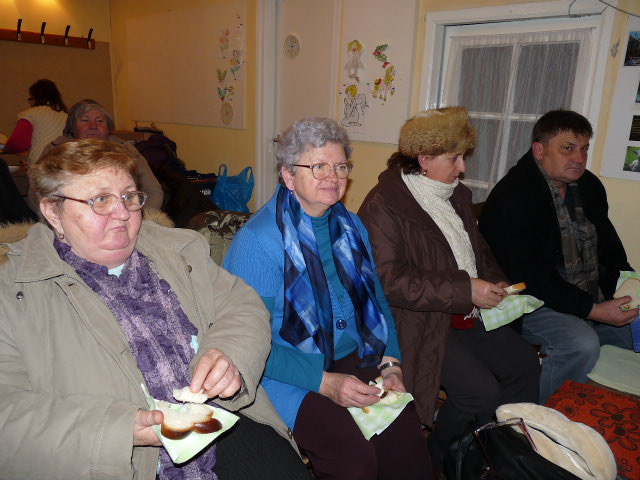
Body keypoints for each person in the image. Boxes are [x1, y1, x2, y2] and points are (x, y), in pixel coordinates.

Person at [0, 139, 311, 480]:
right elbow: (8, 417)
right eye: (100, 200)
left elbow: (242, 305)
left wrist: (228, 353)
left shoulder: (176, 249)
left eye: (129, 196)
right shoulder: (13, 293)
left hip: (223, 418)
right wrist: (116, 430)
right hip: (117, 460)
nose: (123, 213)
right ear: (53, 211)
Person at [224, 117, 433, 480]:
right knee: (354, 458)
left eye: (340, 166)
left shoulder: (352, 226)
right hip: (282, 369)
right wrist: (325, 383)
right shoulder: (258, 242)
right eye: (318, 166)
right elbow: (250, 344)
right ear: (289, 175)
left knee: (406, 440)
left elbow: (376, 302)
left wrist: (391, 365)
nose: (332, 177)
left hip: (353, 355)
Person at [357, 107, 540, 473]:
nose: (462, 167)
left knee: (523, 364)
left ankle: (503, 451)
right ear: (424, 159)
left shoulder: (453, 195)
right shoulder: (384, 205)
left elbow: (477, 251)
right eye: (454, 158)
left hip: (463, 314)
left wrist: (495, 280)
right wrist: (464, 288)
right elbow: (389, 281)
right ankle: (438, 458)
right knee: (480, 392)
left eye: (462, 157)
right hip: (416, 323)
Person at [479, 109, 637, 403]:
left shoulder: (588, 186)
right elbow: (528, 277)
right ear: (539, 150)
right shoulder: (513, 197)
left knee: (630, 330)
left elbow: (609, 246)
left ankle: (595, 412)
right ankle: (538, 418)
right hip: (527, 300)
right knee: (581, 343)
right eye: (568, 148)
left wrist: (631, 287)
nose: (579, 158)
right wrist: (593, 309)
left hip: (581, 293)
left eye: (584, 148)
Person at [41, 99, 163, 211]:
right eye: (85, 120)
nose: (93, 126)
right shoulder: (55, 151)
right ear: (72, 127)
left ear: (108, 128)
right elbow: (37, 194)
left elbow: (152, 190)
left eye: (100, 121)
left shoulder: (125, 150)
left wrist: (141, 220)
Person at [3, 79, 67, 165]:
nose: (30, 103)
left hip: (41, 166)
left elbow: (18, 144)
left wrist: (7, 148)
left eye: (31, 99)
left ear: (37, 98)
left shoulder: (31, 114)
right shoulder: (67, 116)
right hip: (64, 165)